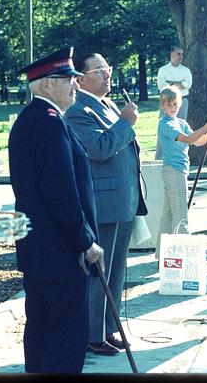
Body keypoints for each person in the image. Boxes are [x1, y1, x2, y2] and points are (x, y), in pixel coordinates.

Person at [8, 46, 105, 374]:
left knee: (41, 331)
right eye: (68, 80)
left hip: (39, 250)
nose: (75, 85)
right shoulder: (49, 124)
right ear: (46, 85)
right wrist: (85, 241)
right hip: (61, 252)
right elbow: (61, 193)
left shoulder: (29, 119)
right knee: (65, 337)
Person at [65, 53, 147, 357]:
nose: (108, 75)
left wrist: (122, 120)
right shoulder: (77, 109)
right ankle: (92, 333)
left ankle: (109, 327)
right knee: (99, 271)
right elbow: (99, 149)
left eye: (108, 69)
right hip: (103, 201)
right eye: (100, 71)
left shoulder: (109, 104)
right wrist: (126, 122)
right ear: (80, 78)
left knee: (116, 271)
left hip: (124, 199)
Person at [154, 85, 207, 256]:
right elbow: (189, 140)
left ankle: (163, 254)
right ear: (162, 105)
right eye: (168, 105)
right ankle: (182, 254)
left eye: (175, 104)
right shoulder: (165, 124)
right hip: (173, 170)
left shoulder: (181, 123)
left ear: (180, 103)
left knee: (169, 214)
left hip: (180, 170)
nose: (172, 108)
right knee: (181, 213)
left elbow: (198, 141)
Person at [155, 46, 193, 159]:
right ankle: (160, 158)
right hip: (166, 103)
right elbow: (162, 86)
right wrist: (180, 84)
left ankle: (178, 156)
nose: (181, 56)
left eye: (182, 54)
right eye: (178, 54)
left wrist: (171, 83)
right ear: (171, 54)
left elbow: (188, 85)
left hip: (182, 102)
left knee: (180, 130)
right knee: (164, 129)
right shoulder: (163, 70)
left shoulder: (186, 70)